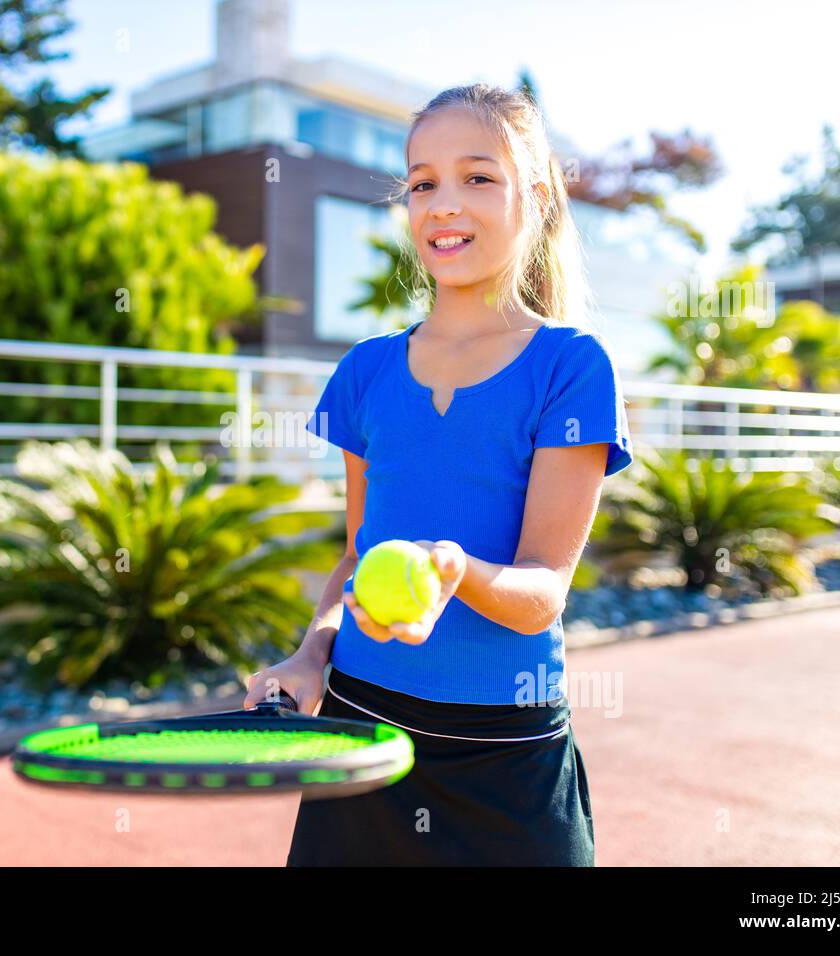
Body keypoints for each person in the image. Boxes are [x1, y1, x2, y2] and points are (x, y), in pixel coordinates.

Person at [242, 83, 633, 866]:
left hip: (506, 762)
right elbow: (358, 555)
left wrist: (457, 570)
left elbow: (542, 590)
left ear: (538, 195)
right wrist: (311, 654)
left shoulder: (572, 367)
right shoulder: (363, 372)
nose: (443, 205)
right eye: (422, 182)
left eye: (477, 177)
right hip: (361, 742)